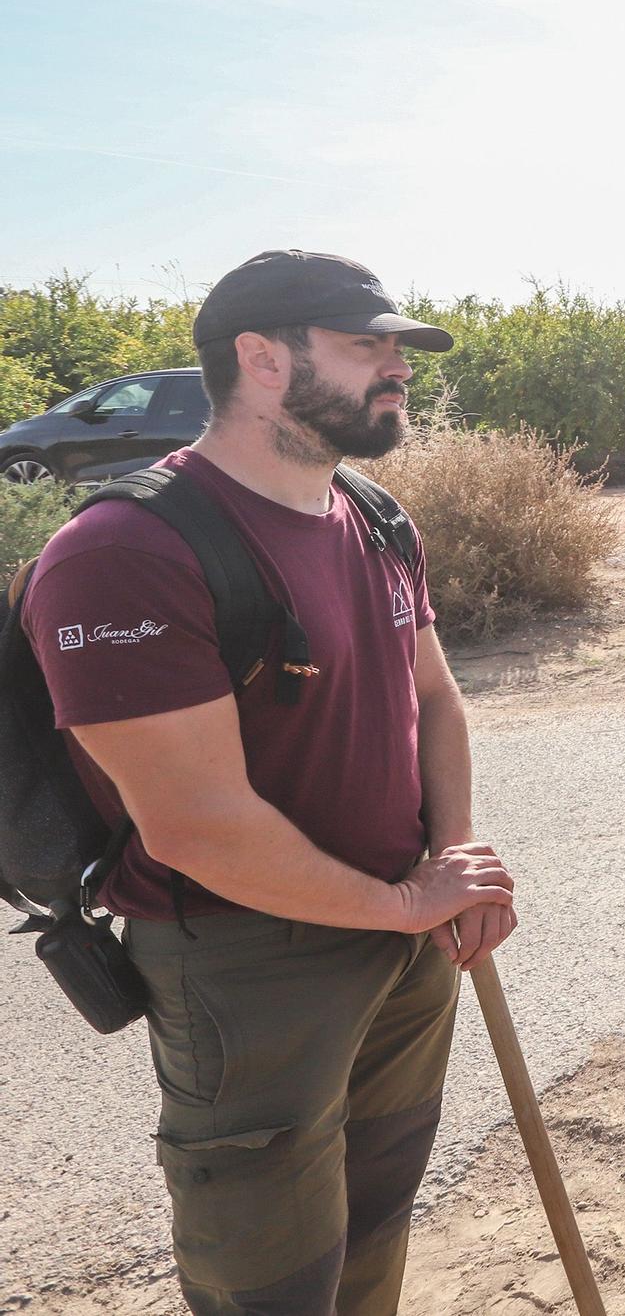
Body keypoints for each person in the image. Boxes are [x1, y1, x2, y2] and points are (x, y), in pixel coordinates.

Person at [22, 249, 518, 1314]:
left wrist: (450, 861)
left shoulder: (376, 514)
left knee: (376, 1231)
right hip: (247, 962)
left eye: (398, 347)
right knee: (270, 1281)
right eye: (366, 346)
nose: (399, 368)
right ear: (260, 359)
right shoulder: (121, 552)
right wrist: (406, 901)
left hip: (407, 929)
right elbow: (197, 825)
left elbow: (432, 697)